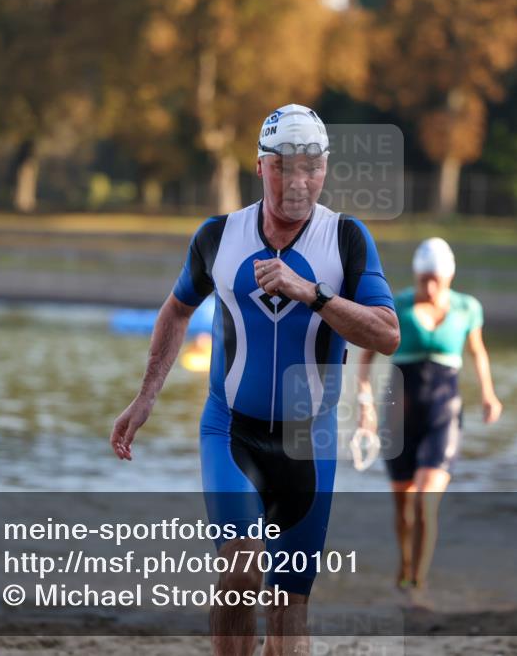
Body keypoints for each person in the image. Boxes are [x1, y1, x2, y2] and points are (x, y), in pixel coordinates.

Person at [110, 104, 400, 656]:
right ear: (261, 166)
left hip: (306, 441)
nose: (298, 180)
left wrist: (311, 293)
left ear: (325, 169)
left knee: (290, 622)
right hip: (230, 431)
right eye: (284, 165)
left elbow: (387, 335)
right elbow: (175, 311)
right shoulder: (220, 236)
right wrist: (145, 397)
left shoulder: (347, 240)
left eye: (312, 166)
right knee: (241, 570)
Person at [356, 237, 502, 608]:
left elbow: (478, 352)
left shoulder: (468, 308)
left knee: (425, 501)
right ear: (416, 276)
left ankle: (417, 583)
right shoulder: (397, 306)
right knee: (403, 507)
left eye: (437, 279)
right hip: (398, 418)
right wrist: (366, 406)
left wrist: (488, 393)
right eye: (424, 279)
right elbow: (365, 358)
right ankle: (404, 567)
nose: (431, 287)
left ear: (450, 276)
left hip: (444, 416)